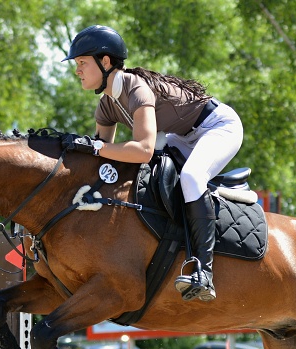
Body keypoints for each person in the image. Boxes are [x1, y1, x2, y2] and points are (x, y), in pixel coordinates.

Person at [62, 25, 243, 302]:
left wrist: (95, 147)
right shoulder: (107, 105)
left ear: (105, 62)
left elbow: (144, 150)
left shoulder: (135, 87)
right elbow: (101, 158)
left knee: (191, 177)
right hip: (182, 135)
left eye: (82, 63)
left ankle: (204, 271)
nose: (77, 71)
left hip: (218, 126)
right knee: (151, 177)